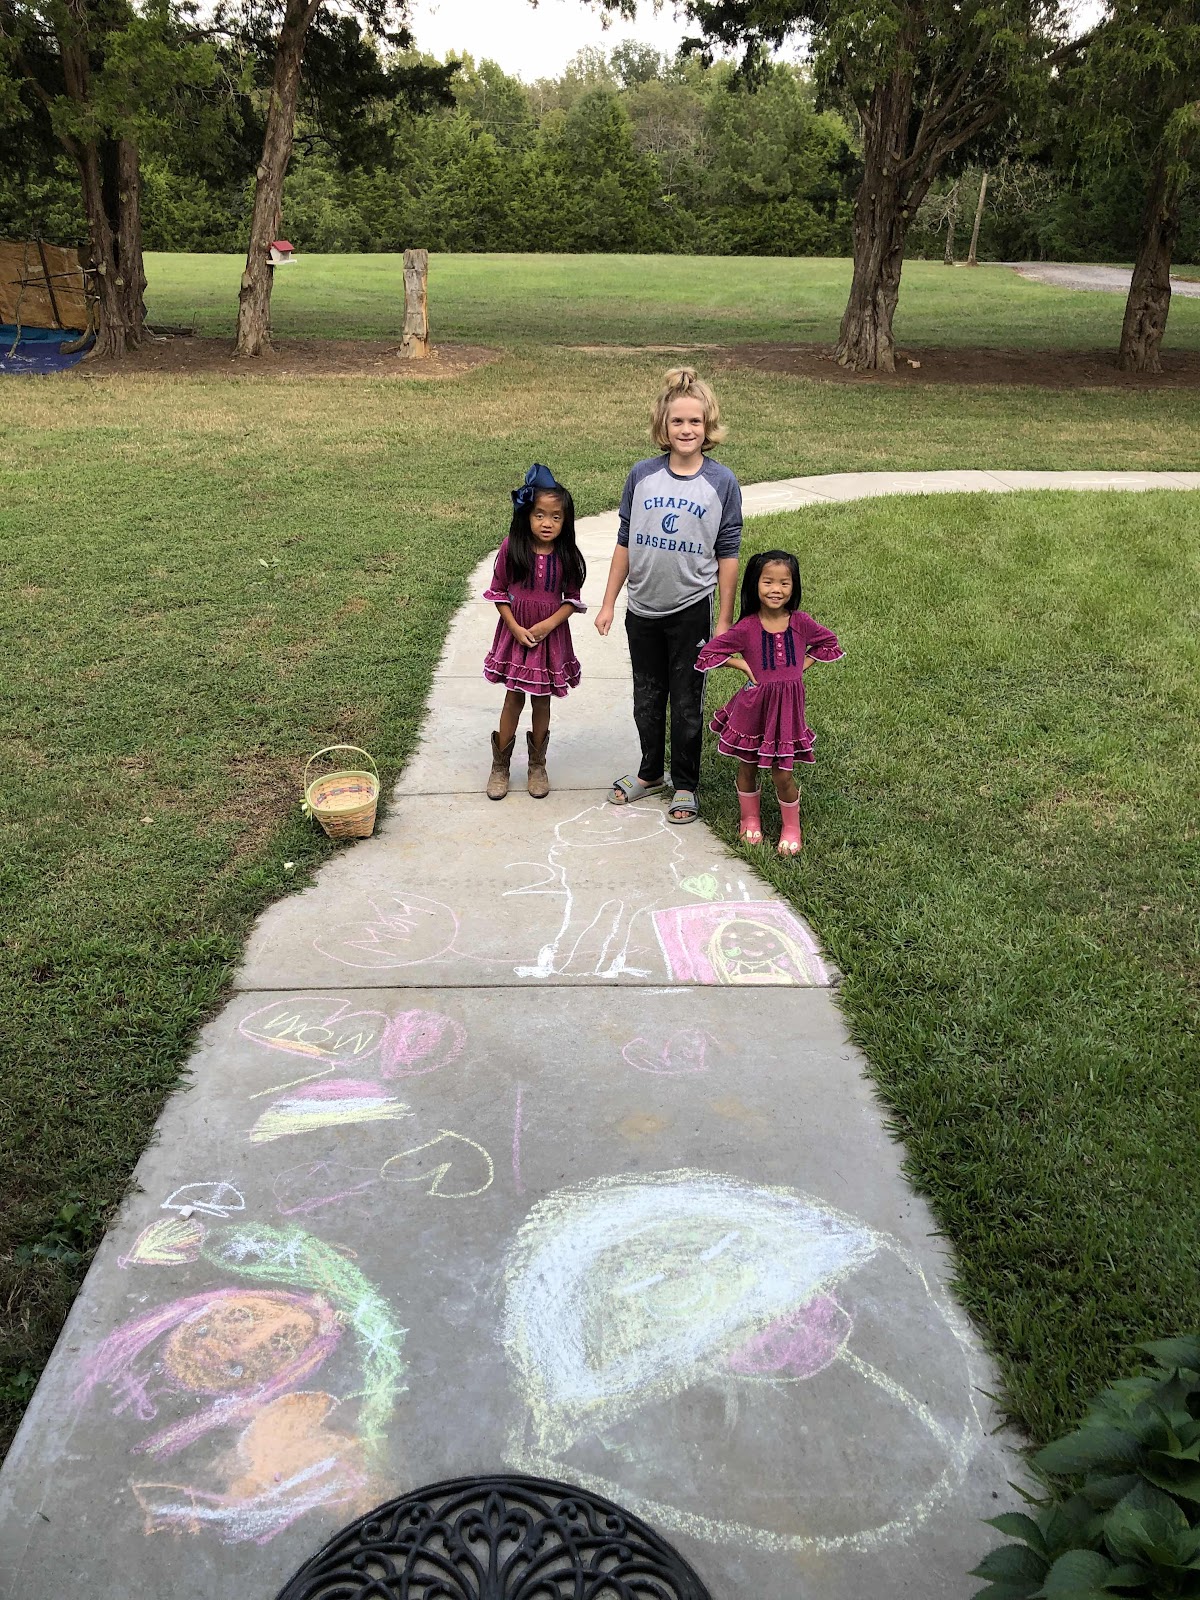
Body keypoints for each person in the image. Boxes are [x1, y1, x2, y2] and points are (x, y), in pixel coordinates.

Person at [594, 368, 742, 825]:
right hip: (642, 608)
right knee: (647, 696)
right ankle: (649, 773)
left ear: (708, 425)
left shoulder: (721, 482)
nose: (686, 429)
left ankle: (685, 784)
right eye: (678, 421)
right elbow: (625, 540)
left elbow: (728, 552)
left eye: (695, 421)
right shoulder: (641, 476)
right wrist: (609, 602)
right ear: (663, 424)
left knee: (686, 701)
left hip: (691, 609)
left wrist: (724, 621)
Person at [696, 549, 843, 856]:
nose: (776, 589)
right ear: (755, 585)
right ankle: (750, 819)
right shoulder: (747, 627)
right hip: (752, 709)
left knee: (782, 773)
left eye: (784, 583)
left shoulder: (801, 622)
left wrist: (801, 666)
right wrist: (742, 665)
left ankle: (791, 826)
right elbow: (708, 653)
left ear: (794, 586)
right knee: (748, 765)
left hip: (787, 712)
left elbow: (829, 642)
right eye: (768, 582)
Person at [484, 463, 587, 800]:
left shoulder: (567, 556)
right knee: (513, 698)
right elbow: (498, 592)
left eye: (556, 517)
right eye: (539, 514)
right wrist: (514, 627)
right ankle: (500, 766)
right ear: (526, 515)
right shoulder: (511, 548)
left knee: (542, 701)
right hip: (516, 635)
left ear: (565, 521)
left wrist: (548, 624)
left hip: (549, 639)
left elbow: (572, 599)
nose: (547, 523)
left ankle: (537, 765)